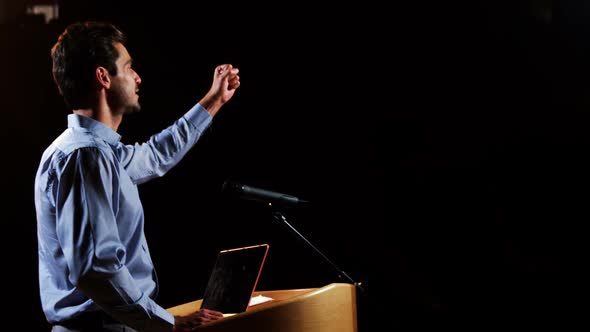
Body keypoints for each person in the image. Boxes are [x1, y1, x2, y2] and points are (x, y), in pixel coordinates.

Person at [34, 20, 240, 331]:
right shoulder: (84, 156)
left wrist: (214, 100)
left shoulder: (101, 154)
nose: (137, 77)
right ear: (103, 77)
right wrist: (167, 323)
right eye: (129, 67)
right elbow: (97, 269)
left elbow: (157, 155)